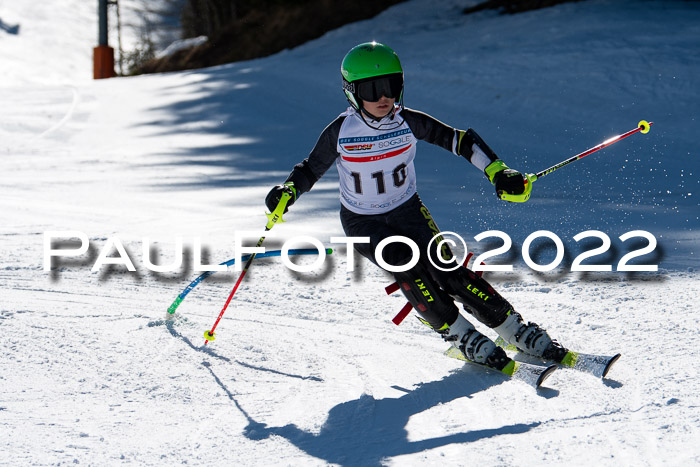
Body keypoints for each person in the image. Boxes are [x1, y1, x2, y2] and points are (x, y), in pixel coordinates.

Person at [265, 41, 568, 372]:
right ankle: (458, 333)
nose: (383, 97)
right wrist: (287, 192)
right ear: (351, 92)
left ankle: (513, 329)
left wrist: (498, 172)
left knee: (447, 270)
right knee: (405, 263)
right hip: (363, 222)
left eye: (391, 86)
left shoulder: (407, 121)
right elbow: (310, 169)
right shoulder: (341, 131)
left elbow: (461, 141)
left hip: (407, 210)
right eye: (372, 89)